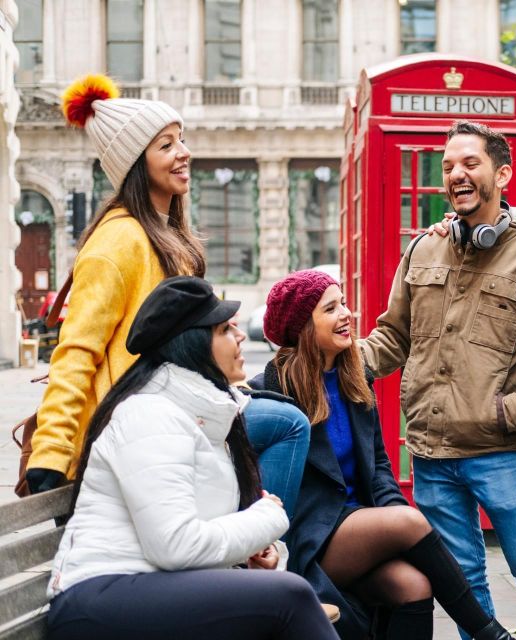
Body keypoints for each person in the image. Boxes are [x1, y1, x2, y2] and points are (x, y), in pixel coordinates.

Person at [25, 74, 309, 519]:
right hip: (137, 423)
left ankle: (251, 548)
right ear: (138, 162)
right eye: (166, 145)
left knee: (287, 411)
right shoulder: (118, 240)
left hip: (180, 407)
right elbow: (76, 351)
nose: (184, 153)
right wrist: (52, 451)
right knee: (291, 425)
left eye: (181, 140)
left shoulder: (168, 234)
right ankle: (258, 548)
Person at [45, 276, 337, 640]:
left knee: (283, 598)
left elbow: (197, 534)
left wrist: (259, 556)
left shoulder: (205, 419)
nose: (240, 336)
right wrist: (267, 518)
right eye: (224, 329)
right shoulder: (150, 415)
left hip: (149, 587)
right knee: (290, 597)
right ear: (193, 345)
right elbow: (175, 545)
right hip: (98, 597)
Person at [359, 121, 516, 640]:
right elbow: (392, 339)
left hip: (503, 454)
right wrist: (328, 363)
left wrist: (510, 413)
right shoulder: (422, 250)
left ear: (503, 173)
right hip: (429, 454)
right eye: (448, 166)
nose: (456, 174)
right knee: (464, 583)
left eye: (470, 163)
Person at [249, 268, 516, 640]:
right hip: (309, 536)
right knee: (408, 522)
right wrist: (395, 525)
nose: (346, 315)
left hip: (360, 524)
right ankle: (489, 633)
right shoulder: (272, 392)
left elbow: (378, 467)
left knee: (414, 585)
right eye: (330, 309)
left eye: (343, 303)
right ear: (302, 327)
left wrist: (390, 525)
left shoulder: (354, 378)